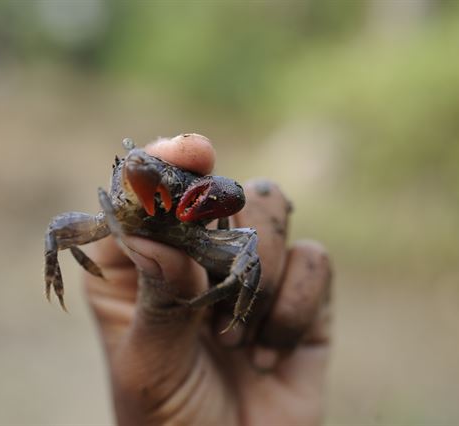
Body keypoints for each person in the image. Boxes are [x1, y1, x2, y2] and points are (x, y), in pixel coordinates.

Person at [84, 134, 332, 425]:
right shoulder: (129, 178)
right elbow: (63, 233)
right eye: (155, 174)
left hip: (199, 246)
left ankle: (235, 317)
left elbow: (239, 212)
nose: (166, 184)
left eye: (178, 180)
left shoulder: (196, 199)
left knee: (250, 253)